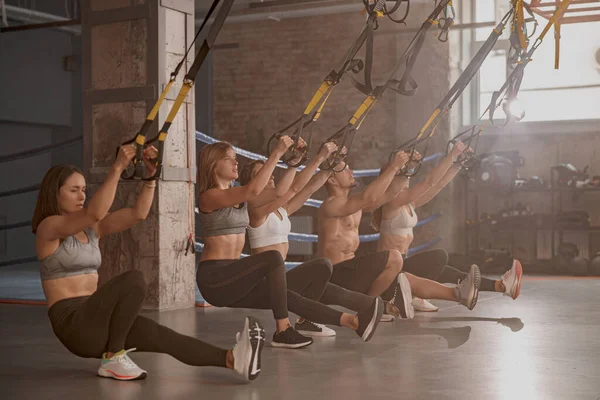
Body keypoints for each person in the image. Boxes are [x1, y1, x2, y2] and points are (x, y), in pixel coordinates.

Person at [33, 144, 264, 382]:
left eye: (83, 189)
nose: (82, 195)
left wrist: (151, 178)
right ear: (55, 193)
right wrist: (118, 166)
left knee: (160, 335)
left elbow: (138, 213)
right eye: (73, 190)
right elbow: (95, 212)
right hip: (74, 325)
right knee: (134, 279)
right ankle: (114, 357)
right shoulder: (48, 228)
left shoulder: (92, 229)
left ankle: (233, 359)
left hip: (98, 319)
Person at [196, 137, 383, 349]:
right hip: (215, 279)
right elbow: (253, 190)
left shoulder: (242, 200)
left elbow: (287, 190)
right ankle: (283, 330)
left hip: (238, 280)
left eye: (234, 157)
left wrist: (296, 162)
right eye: (228, 159)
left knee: (290, 296)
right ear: (213, 164)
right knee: (273, 258)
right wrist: (277, 153)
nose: (235, 161)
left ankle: (353, 322)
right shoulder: (209, 197)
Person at [239, 141, 391, 337]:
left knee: (326, 281)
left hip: (280, 277)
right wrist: (316, 158)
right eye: (262, 175)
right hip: (264, 282)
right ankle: (348, 317)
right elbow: (291, 189)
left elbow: (307, 190)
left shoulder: (280, 211)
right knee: (322, 267)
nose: (269, 178)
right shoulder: (254, 209)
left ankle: (369, 308)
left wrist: (329, 168)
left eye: (269, 174)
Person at [318, 144, 482, 320]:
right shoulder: (332, 205)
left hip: (354, 273)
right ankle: (372, 306)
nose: (351, 172)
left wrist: (409, 166)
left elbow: (391, 193)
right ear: (332, 180)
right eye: (344, 169)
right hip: (334, 275)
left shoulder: (356, 206)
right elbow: (370, 196)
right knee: (399, 261)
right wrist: (396, 167)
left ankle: (457, 294)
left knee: (405, 277)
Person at [372, 146, 523, 312]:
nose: (408, 177)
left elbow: (437, 185)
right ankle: (414, 294)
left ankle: (501, 286)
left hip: (402, 266)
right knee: (438, 257)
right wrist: (452, 155)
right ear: (391, 180)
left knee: (445, 270)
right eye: (403, 173)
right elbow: (427, 181)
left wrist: (457, 164)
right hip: (389, 274)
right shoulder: (391, 203)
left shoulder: (408, 203)